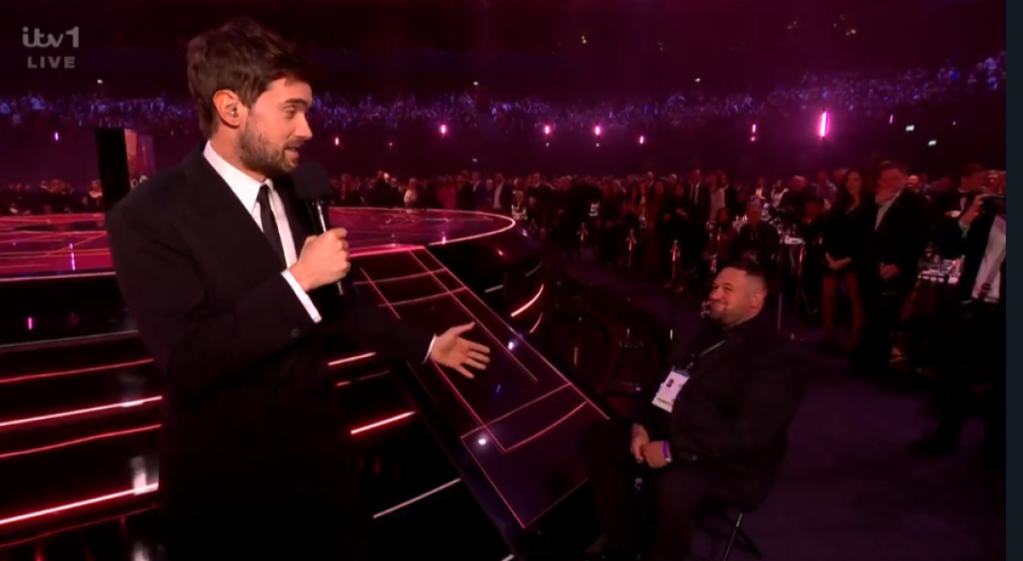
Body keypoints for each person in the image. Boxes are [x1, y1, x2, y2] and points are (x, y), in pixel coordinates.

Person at [106, 19, 490, 560]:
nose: (308, 129)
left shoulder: (298, 191)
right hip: (230, 494)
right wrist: (298, 280)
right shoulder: (148, 215)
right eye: (291, 110)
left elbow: (341, 307)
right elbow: (189, 360)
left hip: (326, 473)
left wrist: (427, 346)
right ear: (231, 108)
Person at [579, 260, 805, 561]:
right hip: (674, 434)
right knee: (598, 438)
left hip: (730, 463)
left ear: (755, 300)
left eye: (727, 289)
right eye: (714, 287)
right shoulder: (700, 334)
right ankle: (624, 543)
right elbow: (659, 385)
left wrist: (672, 450)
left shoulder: (776, 357)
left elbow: (746, 434)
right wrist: (641, 426)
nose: (714, 294)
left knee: (673, 487)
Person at [910, 190, 1005, 467]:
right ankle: (945, 437)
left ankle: (996, 449)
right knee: (953, 375)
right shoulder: (986, 218)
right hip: (972, 304)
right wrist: (967, 217)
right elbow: (948, 248)